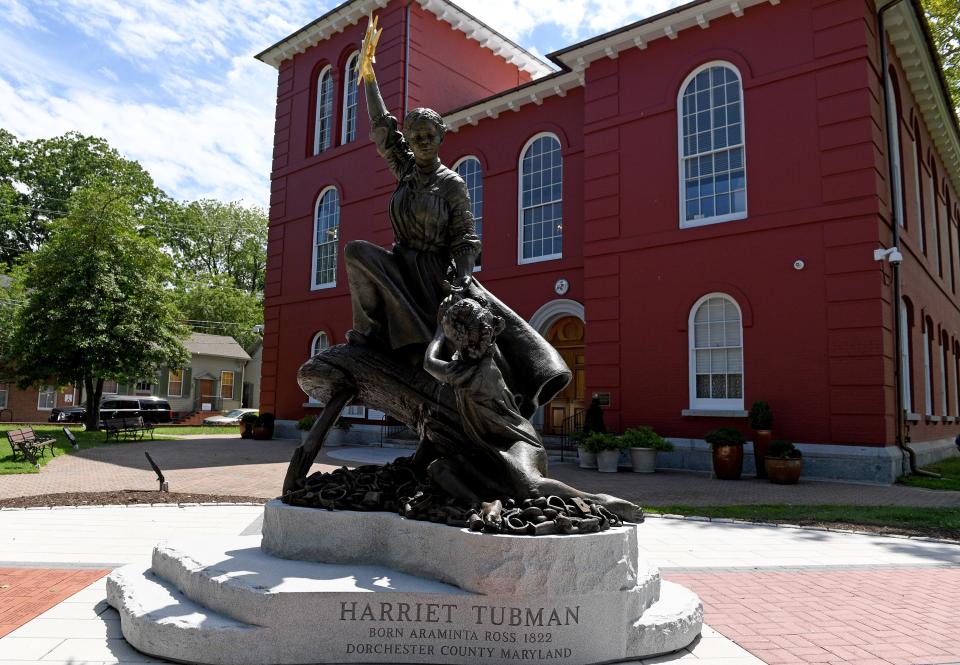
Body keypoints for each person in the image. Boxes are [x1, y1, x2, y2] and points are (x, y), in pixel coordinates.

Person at [344, 15, 569, 417]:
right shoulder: (407, 169)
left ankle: (494, 404)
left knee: (463, 342)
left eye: (429, 135)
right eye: (416, 138)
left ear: (441, 137)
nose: (422, 141)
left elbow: (466, 236)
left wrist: (463, 277)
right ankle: (370, 334)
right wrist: (369, 76)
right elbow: (382, 128)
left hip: (435, 272)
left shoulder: (452, 184)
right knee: (357, 251)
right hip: (402, 262)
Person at [423, 292, 643, 524]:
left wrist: (439, 328)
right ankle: (484, 504)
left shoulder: (475, 373)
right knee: (439, 469)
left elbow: (429, 362)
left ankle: (599, 500)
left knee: (531, 485)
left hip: (517, 441)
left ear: (459, 337)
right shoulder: (467, 362)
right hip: (486, 449)